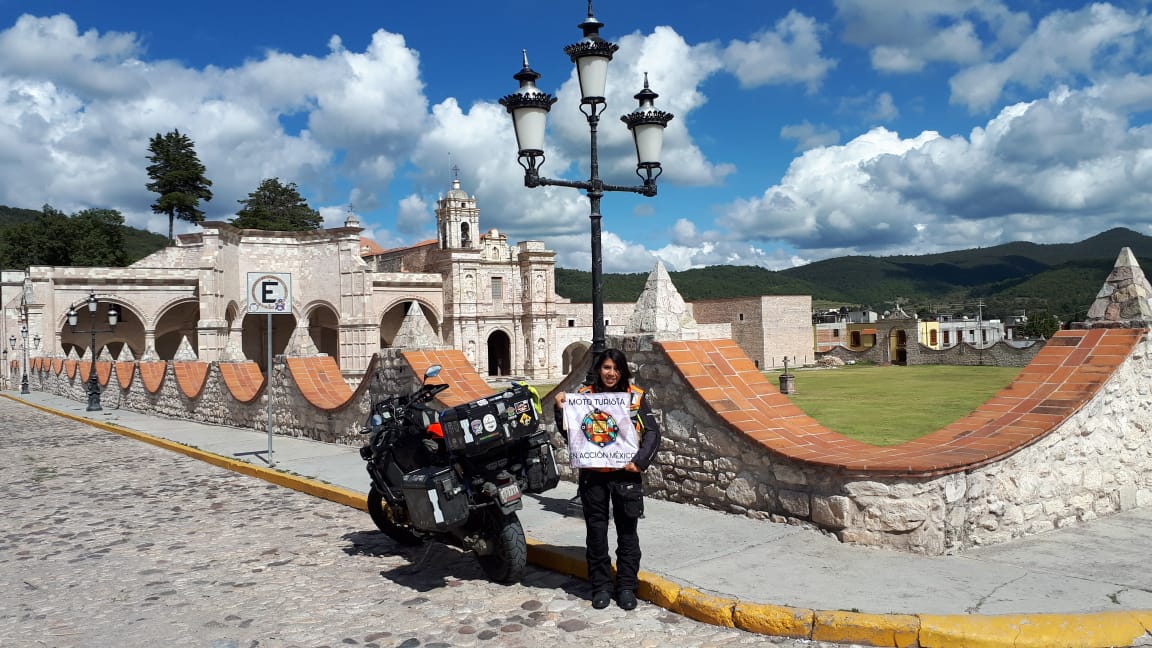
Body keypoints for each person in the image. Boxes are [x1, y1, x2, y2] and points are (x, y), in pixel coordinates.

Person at [553, 348, 661, 611]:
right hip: (594, 477)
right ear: (598, 370)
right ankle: (600, 586)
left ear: (622, 371)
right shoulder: (582, 397)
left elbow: (652, 433)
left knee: (627, 534)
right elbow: (572, 434)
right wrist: (560, 411)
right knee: (597, 534)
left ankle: (626, 586)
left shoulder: (635, 397)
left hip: (625, 475)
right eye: (606, 368)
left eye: (616, 368)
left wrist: (640, 461)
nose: (611, 373)